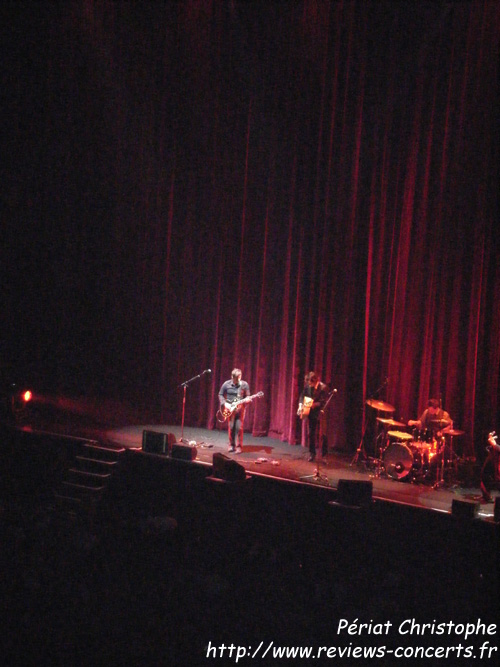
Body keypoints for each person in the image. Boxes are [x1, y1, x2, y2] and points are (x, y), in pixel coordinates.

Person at [297, 371, 329, 462]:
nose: (309, 385)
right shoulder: (308, 386)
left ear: (315, 381)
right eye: (308, 383)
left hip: (321, 413)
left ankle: (324, 455)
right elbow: (302, 396)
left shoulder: (323, 388)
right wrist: (300, 405)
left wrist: (315, 404)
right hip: (311, 413)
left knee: (323, 435)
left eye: (311, 383)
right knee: (311, 433)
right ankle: (312, 453)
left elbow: (324, 401)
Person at [218, 368, 250, 454]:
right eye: (236, 379)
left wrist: (247, 400)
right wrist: (224, 403)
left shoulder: (244, 384)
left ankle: (239, 446)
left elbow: (248, 396)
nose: (238, 380)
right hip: (229, 409)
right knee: (231, 427)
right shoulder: (226, 384)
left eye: (239, 378)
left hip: (240, 409)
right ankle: (231, 445)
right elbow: (220, 394)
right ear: (232, 377)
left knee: (239, 428)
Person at [480, 431, 500, 502]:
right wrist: (491, 440)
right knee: (485, 473)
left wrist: (495, 445)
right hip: (495, 454)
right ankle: (487, 496)